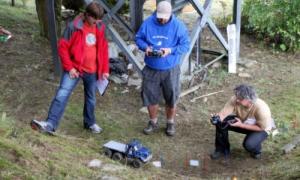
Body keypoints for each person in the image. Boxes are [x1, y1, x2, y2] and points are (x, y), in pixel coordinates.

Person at [30, 1, 109, 134]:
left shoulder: (100, 27)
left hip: (92, 70)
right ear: (87, 15)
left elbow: (103, 49)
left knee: (91, 98)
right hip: (75, 69)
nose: (96, 22)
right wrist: (70, 67)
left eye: (98, 19)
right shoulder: (73, 27)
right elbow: (63, 48)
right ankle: (50, 124)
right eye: (94, 19)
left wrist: (105, 70)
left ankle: (89, 123)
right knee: (62, 94)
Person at [135, 1, 190, 136]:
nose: (162, 19)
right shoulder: (148, 23)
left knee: (171, 97)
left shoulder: (178, 26)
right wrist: (145, 48)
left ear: (170, 14)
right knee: (150, 96)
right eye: (160, 16)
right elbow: (138, 39)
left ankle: (170, 122)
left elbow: (185, 45)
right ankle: (153, 121)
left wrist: (170, 50)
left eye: (165, 17)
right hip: (151, 68)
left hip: (170, 69)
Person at [210, 84, 276, 159]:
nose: (237, 99)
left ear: (249, 100)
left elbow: (261, 128)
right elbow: (223, 114)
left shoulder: (262, 109)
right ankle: (221, 149)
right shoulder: (235, 99)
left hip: (260, 128)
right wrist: (217, 119)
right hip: (243, 121)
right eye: (237, 96)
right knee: (221, 123)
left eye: (240, 98)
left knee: (249, 145)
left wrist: (241, 125)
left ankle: (256, 150)